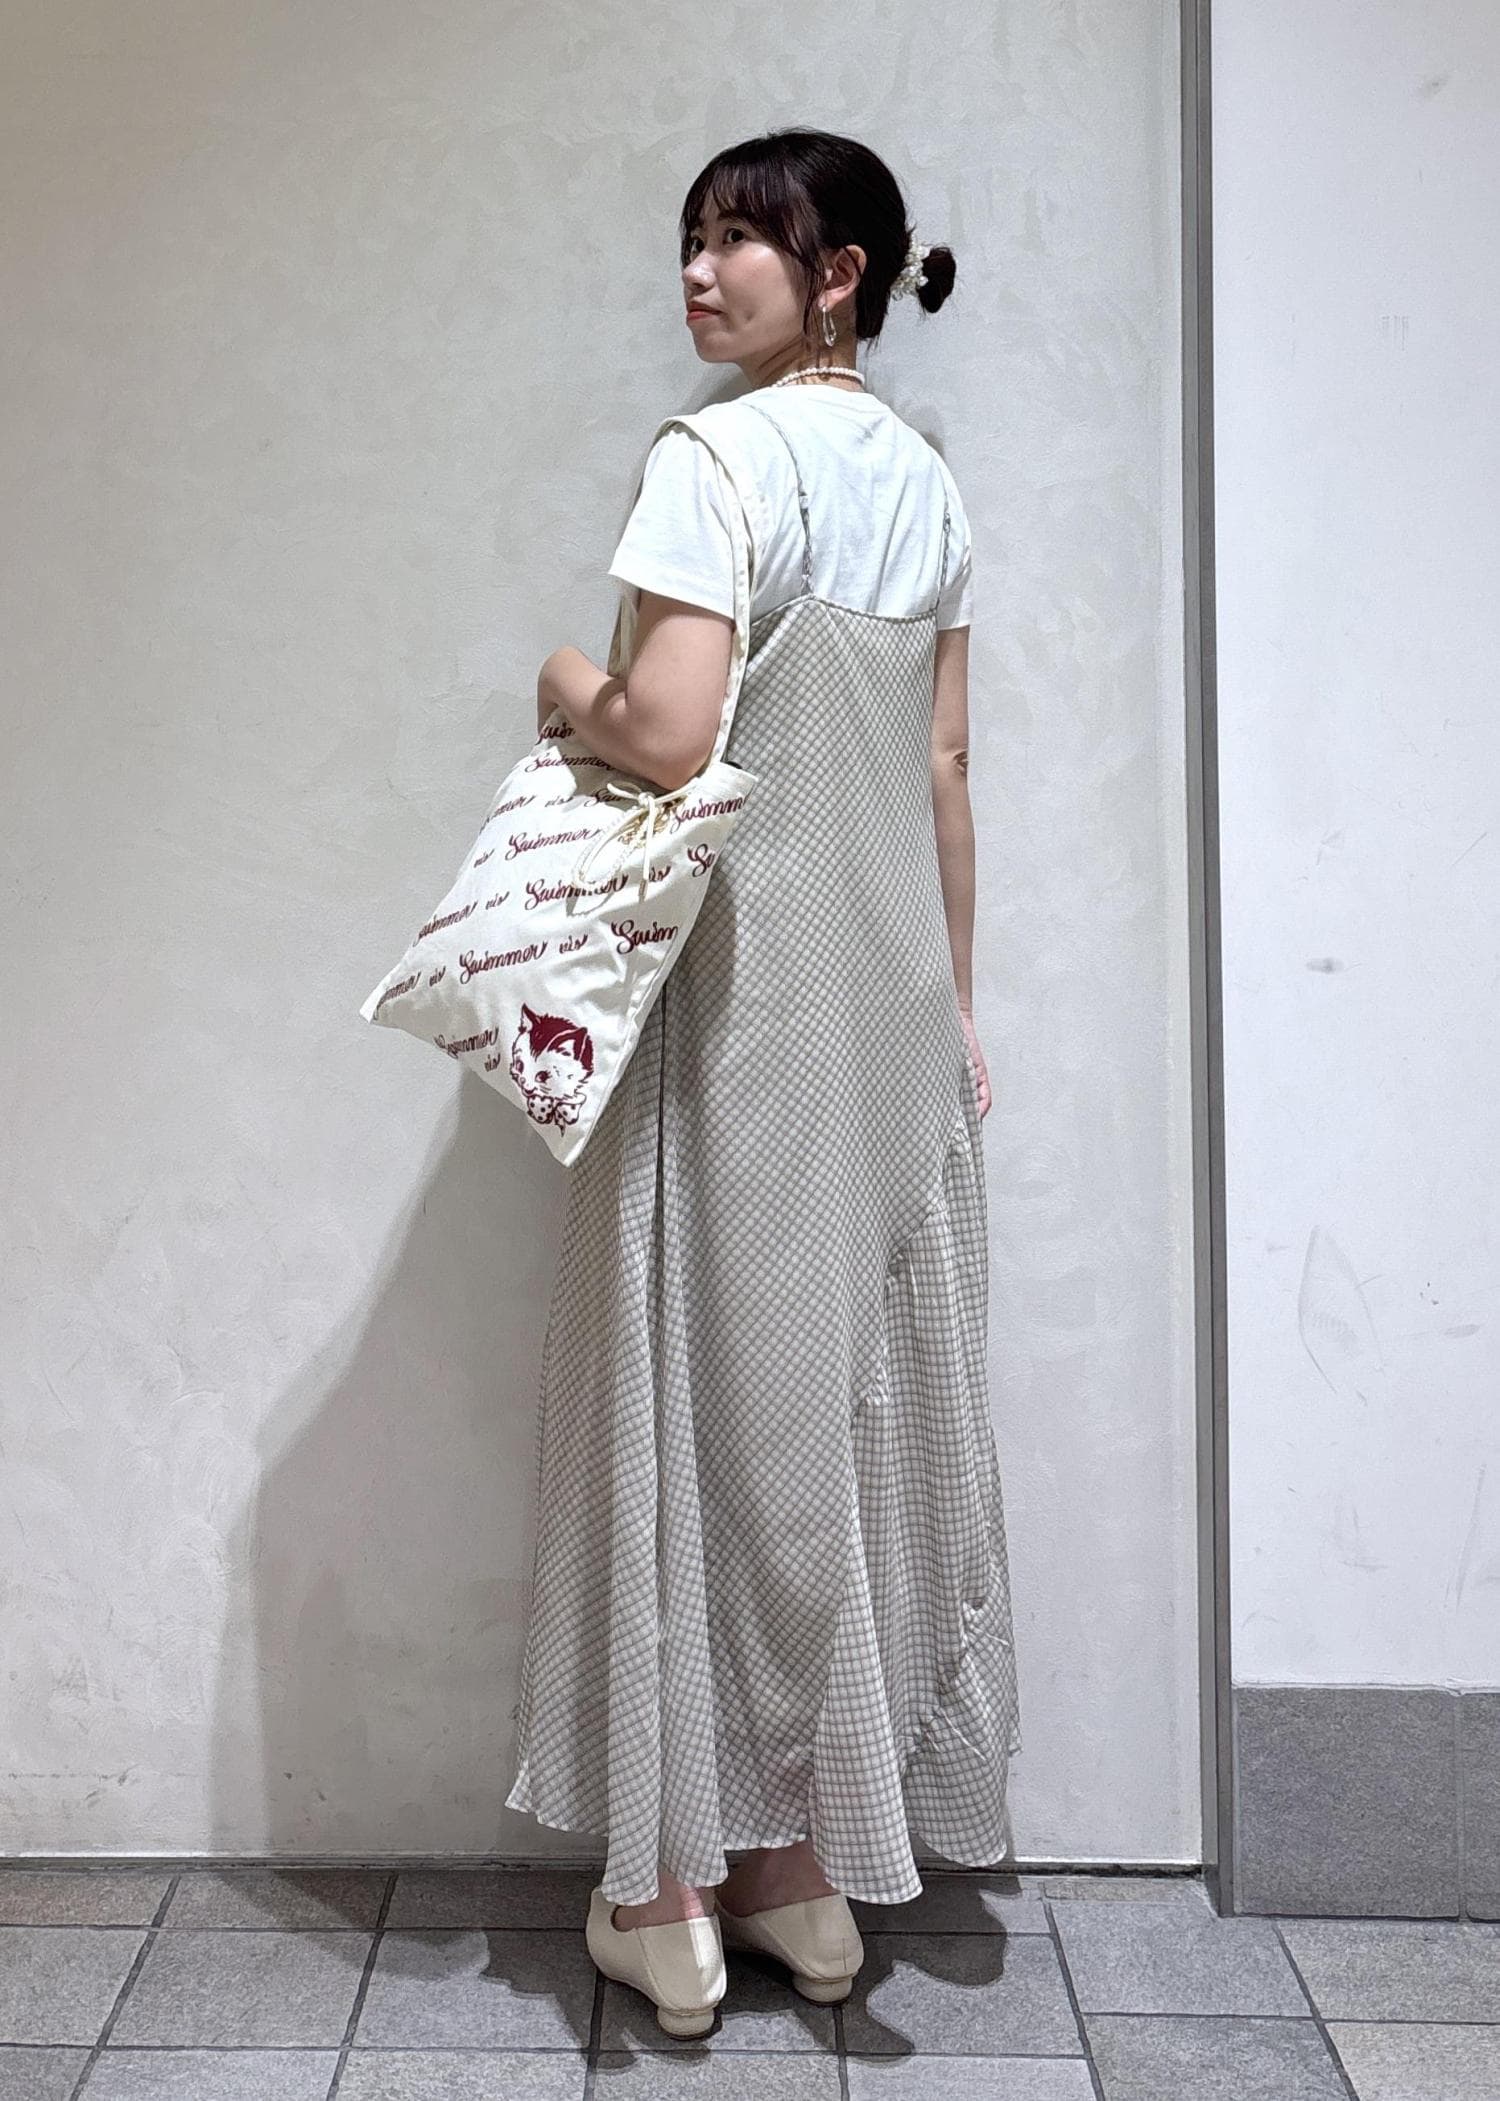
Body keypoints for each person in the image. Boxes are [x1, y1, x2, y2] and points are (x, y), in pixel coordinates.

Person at [507, 126, 1022, 2036]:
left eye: (744, 239)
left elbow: (663, 731)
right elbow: (944, 770)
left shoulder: (711, 460)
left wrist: (561, 677)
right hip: (881, 1007)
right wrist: (955, 1006)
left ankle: (664, 1893)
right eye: (694, 238)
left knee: (684, 1398)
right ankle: (804, 1871)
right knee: (822, 1413)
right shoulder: (928, 485)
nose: (701, 270)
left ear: (845, 273)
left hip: (730, 999)